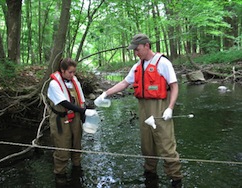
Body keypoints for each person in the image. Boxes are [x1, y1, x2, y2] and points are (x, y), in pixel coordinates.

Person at [95, 34, 183, 188]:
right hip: (143, 107)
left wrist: (170, 108)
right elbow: (124, 83)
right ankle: (150, 175)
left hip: (160, 107)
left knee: (166, 145)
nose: (136, 52)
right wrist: (105, 93)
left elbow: (174, 86)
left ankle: (176, 179)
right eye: (134, 50)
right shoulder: (137, 66)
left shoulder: (163, 63)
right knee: (147, 145)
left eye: (138, 49)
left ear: (147, 46)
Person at [47, 58, 96, 187]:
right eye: (70, 72)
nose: (73, 75)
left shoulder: (74, 81)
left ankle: (77, 173)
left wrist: (83, 116)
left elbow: (81, 100)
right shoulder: (54, 84)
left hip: (75, 118)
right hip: (60, 120)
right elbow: (64, 102)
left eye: (74, 72)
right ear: (62, 71)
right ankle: (60, 176)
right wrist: (83, 111)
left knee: (76, 146)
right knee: (62, 150)